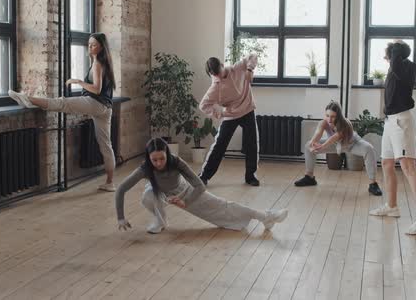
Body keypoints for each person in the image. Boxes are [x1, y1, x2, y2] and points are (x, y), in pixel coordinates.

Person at [8, 32, 117, 192]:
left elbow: (96, 88)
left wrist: (78, 82)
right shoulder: (104, 62)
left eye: (93, 44)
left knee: (62, 102)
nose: (90, 47)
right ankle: (110, 183)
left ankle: (27, 99)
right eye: (89, 44)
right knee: (106, 145)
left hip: (96, 103)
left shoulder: (98, 63)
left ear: (101, 47)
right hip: (106, 108)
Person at [116, 138, 288, 234]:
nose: (159, 163)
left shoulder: (177, 162)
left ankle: (266, 216)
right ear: (148, 158)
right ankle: (160, 222)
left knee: (223, 206)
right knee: (147, 196)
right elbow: (121, 189)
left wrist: (185, 200)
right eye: (155, 160)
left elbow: (199, 185)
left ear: (167, 154)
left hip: (184, 192)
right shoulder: (145, 168)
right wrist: (121, 217)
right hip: (159, 192)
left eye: (162, 158)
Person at [369, 40, 416, 235]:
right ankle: (392, 206)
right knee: (387, 163)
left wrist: (395, 47)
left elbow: (397, 58)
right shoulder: (395, 69)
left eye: (387, 54)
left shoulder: (404, 68)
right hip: (390, 122)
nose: (385, 58)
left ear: (395, 55)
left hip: (402, 122)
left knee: (408, 167)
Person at [294, 101, 383, 196]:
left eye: (332, 116)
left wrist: (321, 147)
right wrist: (312, 144)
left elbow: (335, 137)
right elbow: (318, 134)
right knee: (308, 146)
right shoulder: (324, 122)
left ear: (338, 116)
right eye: (327, 115)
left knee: (368, 148)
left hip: (352, 144)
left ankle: (373, 184)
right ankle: (309, 177)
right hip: (335, 145)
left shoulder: (345, 123)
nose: (329, 119)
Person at [198, 55, 260, 186]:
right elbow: (203, 105)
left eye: (219, 72)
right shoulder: (215, 88)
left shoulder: (236, 68)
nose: (218, 76)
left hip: (247, 109)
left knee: (251, 144)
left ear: (222, 65)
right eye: (215, 74)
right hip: (230, 115)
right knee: (219, 145)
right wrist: (221, 113)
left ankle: (251, 176)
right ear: (211, 73)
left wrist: (249, 70)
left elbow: (253, 56)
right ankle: (204, 176)